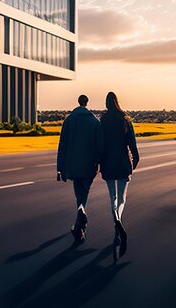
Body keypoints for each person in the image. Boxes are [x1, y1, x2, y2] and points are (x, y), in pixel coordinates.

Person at [57, 94, 103, 243]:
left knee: (79, 190)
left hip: (73, 164)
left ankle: (80, 216)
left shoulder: (69, 120)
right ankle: (81, 215)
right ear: (87, 103)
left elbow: (62, 146)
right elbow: (99, 146)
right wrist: (100, 163)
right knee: (84, 191)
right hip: (89, 165)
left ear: (78, 102)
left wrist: (60, 167)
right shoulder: (94, 122)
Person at [100, 91, 139, 261]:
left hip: (108, 164)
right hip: (123, 163)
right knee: (122, 199)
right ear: (117, 102)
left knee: (112, 198)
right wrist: (135, 161)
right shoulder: (125, 120)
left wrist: (98, 162)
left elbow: (100, 143)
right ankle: (119, 222)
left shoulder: (102, 120)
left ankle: (116, 220)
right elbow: (132, 143)